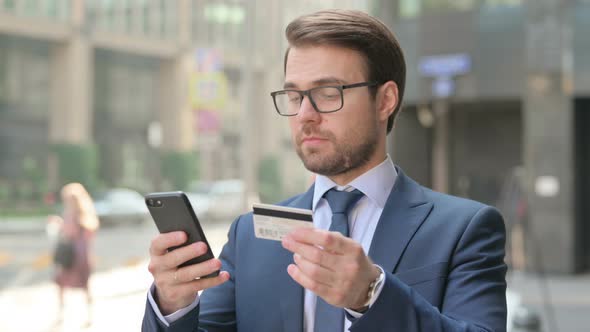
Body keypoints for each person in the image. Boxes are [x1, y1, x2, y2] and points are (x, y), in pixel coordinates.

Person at [142, 9, 507, 332]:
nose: (305, 115)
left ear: (385, 100)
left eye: (328, 93)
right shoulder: (251, 236)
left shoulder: (464, 230)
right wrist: (173, 307)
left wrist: (372, 295)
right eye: (295, 96)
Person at [51, 182, 100, 326]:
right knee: (65, 284)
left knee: (82, 285)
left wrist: (62, 225)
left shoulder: (79, 215)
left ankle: (86, 315)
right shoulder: (79, 214)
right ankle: (64, 314)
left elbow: (71, 233)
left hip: (76, 256)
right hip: (78, 254)